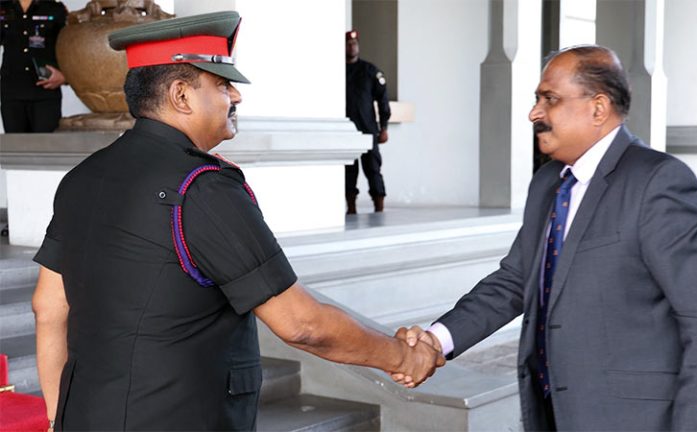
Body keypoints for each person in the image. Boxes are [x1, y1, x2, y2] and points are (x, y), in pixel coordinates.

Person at [31, 11, 443, 431]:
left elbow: (48, 308)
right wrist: (402, 356)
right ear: (181, 95)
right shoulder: (202, 188)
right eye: (222, 84)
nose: (236, 97)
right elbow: (301, 324)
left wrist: (56, 417)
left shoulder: (82, 178)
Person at [395, 45, 697, 431]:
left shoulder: (657, 181)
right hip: (553, 413)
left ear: (598, 108)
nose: (534, 113)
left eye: (550, 99)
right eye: (537, 99)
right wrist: (436, 340)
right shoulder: (548, 183)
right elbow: (514, 281)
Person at [0, 0, 68, 133]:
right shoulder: (3, 8)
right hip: (12, 93)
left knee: (46, 144)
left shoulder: (55, 9)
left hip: (45, 93)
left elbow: (71, 47)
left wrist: (65, 77)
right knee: (15, 145)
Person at [345, 29, 390, 214]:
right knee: (349, 172)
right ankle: (351, 209)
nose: (352, 47)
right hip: (346, 130)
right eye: (348, 44)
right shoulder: (338, 71)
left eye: (354, 44)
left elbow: (383, 99)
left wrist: (384, 127)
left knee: (373, 169)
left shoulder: (369, 71)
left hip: (368, 129)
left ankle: (379, 208)